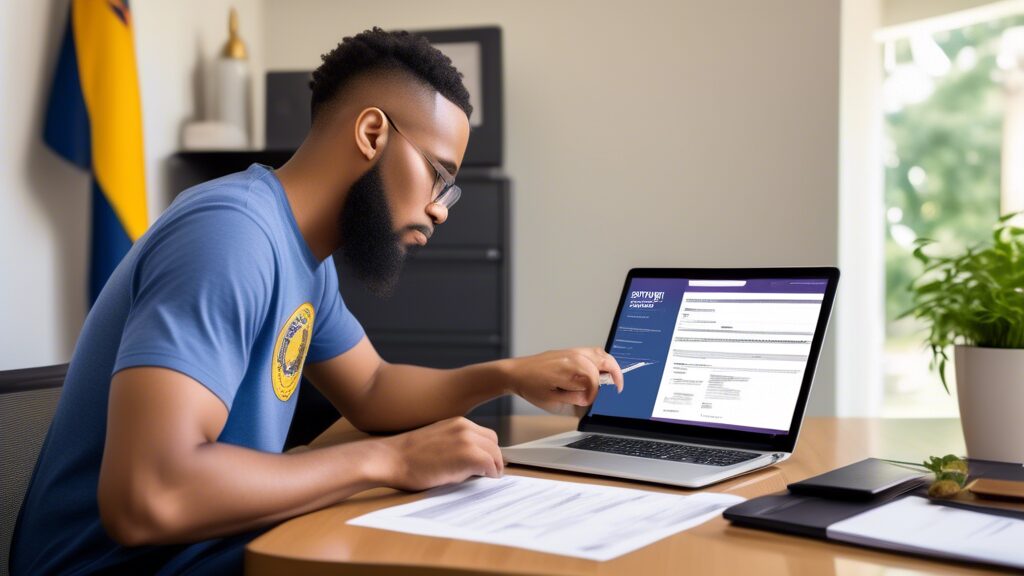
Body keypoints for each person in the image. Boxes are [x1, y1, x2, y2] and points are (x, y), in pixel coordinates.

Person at [10, 27, 623, 575]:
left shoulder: (305, 258)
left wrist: (510, 374)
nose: (439, 208)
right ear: (372, 132)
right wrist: (390, 460)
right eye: (438, 176)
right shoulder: (230, 236)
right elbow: (149, 498)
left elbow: (375, 389)